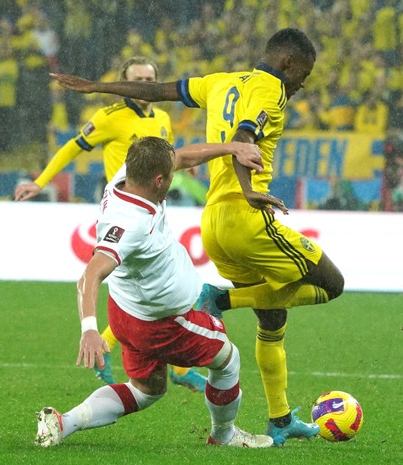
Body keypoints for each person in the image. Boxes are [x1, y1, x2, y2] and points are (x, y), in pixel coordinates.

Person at [51, 28, 345, 447]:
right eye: (305, 73)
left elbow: (156, 93)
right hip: (246, 220)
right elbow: (245, 138)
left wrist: (96, 86)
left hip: (213, 223)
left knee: (271, 316)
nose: (304, 83)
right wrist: (248, 188)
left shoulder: (215, 83)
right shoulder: (273, 90)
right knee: (331, 285)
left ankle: (279, 418)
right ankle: (222, 314)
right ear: (288, 64)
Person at [35, 136, 272, 448]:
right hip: (162, 324)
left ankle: (65, 422)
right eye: (170, 177)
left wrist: (231, 148)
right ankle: (224, 435)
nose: (175, 176)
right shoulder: (130, 223)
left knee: (147, 390)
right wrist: (89, 330)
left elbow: (184, 158)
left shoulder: (128, 174)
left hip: (126, 313)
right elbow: (90, 274)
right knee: (228, 359)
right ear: (159, 180)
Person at [16, 56, 208, 392]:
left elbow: (168, 153)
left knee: (155, 290)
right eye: (138, 79)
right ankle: (139, 357)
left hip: (155, 211)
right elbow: (72, 149)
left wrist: (186, 165)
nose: (146, 85)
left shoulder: (163, 117)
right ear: (125, 82)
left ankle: (161, 363)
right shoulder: (108, 118)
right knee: (141, 294)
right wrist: (41, 181)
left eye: (151, 79)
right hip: (124, 217)